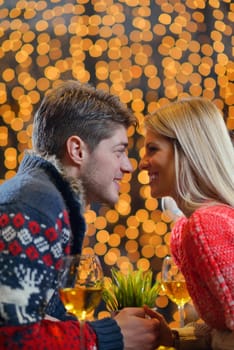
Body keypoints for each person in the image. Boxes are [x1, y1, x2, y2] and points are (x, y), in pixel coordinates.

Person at [0, 80, 170, 350]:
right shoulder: (34, 205)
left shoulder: (45, 199)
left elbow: (42, 320)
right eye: (119, 151)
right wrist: (108, 335)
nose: (127, 166)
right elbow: (14, 337)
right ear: (77, 150)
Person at [139, 97, 234, 350]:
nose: (142, 162)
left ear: (185, 152)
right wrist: (174, 338)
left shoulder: (206, 226)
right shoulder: (192, 226)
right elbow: (222, 328)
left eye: (153, 149)